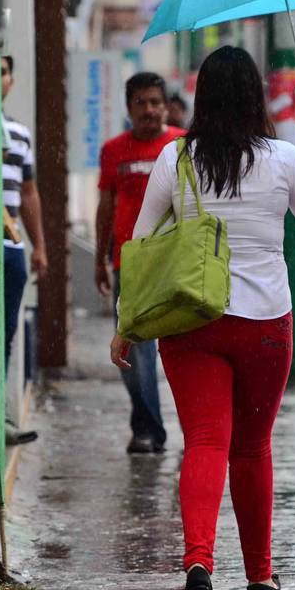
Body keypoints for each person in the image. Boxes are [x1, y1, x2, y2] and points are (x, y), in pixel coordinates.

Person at [110, 45, 295, 590]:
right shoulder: (284, 159)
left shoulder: (174, 158)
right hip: (265, 327)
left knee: (205, 442)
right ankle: (260, 577)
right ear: (254, 96)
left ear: (202, 98)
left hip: (191, 322)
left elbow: (139, 243)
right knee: (253, 448)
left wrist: (127, 323)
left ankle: (199, 564)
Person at [96, 72, 185, 454]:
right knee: (135, 350)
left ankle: (196, 432)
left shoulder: (182, 144)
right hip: (129, 266)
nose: (149, 110)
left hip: (177, 264)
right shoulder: (114, 150)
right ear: (129, 108)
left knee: (185, 351)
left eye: (155, 102)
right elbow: (105, 205)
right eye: (141, 103)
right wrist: (101, 257)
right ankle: (147, 428)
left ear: (165, 106)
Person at [0, 55, 47, 445]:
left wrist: (39, 247)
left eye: (3, 72)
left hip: (11, 245)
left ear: (11, 81)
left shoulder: (19, 133)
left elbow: (29, 193)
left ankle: (0, 418)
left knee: (8, 332)